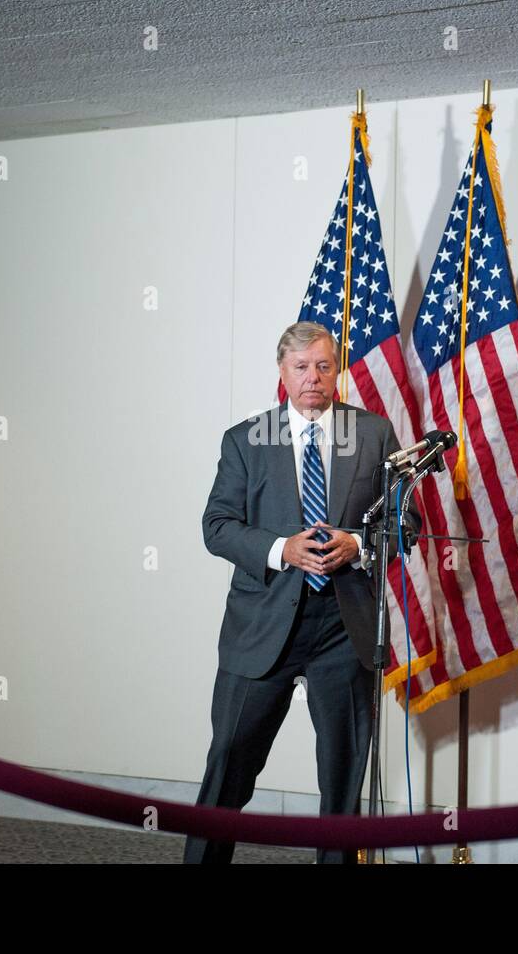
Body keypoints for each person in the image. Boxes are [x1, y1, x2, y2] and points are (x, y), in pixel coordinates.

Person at [183, 321, 421, 864]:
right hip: (263, 625)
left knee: (342, 782)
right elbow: (216, 526)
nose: (312, 378)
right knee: (228, 767)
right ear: (282, 372)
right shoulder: (245, 440)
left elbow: (406, 521)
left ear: (336, 370)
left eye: (323, 366)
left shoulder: (375, 434)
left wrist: (358, 544)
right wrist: (280, 550)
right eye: (300, 367)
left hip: (344, 629)